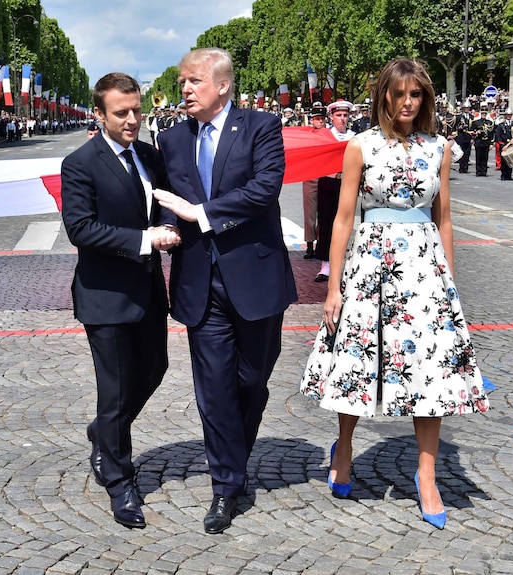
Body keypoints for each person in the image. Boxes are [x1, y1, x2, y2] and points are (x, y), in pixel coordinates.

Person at [300, 58, 490, 531]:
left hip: (424, 272)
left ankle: (427, 475)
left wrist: (450, 280)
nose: (408, 103)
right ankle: (344, 446)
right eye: (400, 94)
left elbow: (444, 219)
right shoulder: (360, 147)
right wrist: (335, 286)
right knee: (358, 362)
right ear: (384, 95)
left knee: (432, 370)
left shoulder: (440, 148)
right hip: (370, 266)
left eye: (417, 95)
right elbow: (343, 219)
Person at [153, 48, 297, 534]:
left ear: (222, 86)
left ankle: (233, 461)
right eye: (182, 83)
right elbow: (167, 196)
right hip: (199, 282)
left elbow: (264, 189)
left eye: (193, 81)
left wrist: (200, 214)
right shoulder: (171, 138)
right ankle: (226, 486)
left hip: (255, 279)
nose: (185, 90)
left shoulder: (261, 128)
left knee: (250, 382)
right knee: (213, 390)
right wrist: (169, 226)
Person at [61, 72, 179, 529]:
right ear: (99, 114)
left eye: (136, 111)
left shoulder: (149, 154)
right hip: (105, 294)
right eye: (121, 113)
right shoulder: (80, 163)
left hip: (148, 289)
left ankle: (103, 435)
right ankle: (119, 480)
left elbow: (166, 200)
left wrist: (169, 222)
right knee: (113, 391)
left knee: (154, 369)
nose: (132, 120)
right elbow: (81, 228)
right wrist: (146, 239)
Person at [314, 100, 356, 282]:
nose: (342, 119)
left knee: (344, 223)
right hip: (327, 182)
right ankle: (325, 264)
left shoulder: (354, 137)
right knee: (325, 223)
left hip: (346, 184)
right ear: (331, 116)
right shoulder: (325, 136)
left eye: (345, 115)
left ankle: (340, 262)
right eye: (338, 115)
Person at [302, 103, 327, 259]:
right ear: (312, 120)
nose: (320, 122)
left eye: (322, 119)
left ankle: (321, 244)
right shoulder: (307, 135)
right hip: (310, 177)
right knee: (309, 214)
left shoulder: (329, 135)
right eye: (317, 119)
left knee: (324, 214)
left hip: (326, 177)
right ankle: (310, 244)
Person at [494, 109, 513, 181]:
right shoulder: (501, 125)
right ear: (505, 115)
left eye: (510, 115)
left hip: (511, 144)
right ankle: (503, 175)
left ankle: (509, 175)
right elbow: (498, 135)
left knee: (510, 160)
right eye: (507, 115)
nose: (509, 116)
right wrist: (502, 145)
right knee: (503, 160)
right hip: (504, 145)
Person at [470, 106, 493, 176]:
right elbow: (471, 131)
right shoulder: (476, 122)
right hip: (479, 141)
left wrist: (491, 143)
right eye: (483, 113)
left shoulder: (489, 122)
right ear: (481, 114)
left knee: (485, 157)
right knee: (479, 157)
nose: (484, 115)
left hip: (486, 142)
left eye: (485, 114)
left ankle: (484, 171)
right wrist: (476, 132)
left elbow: (491, 133)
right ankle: (479, 171)